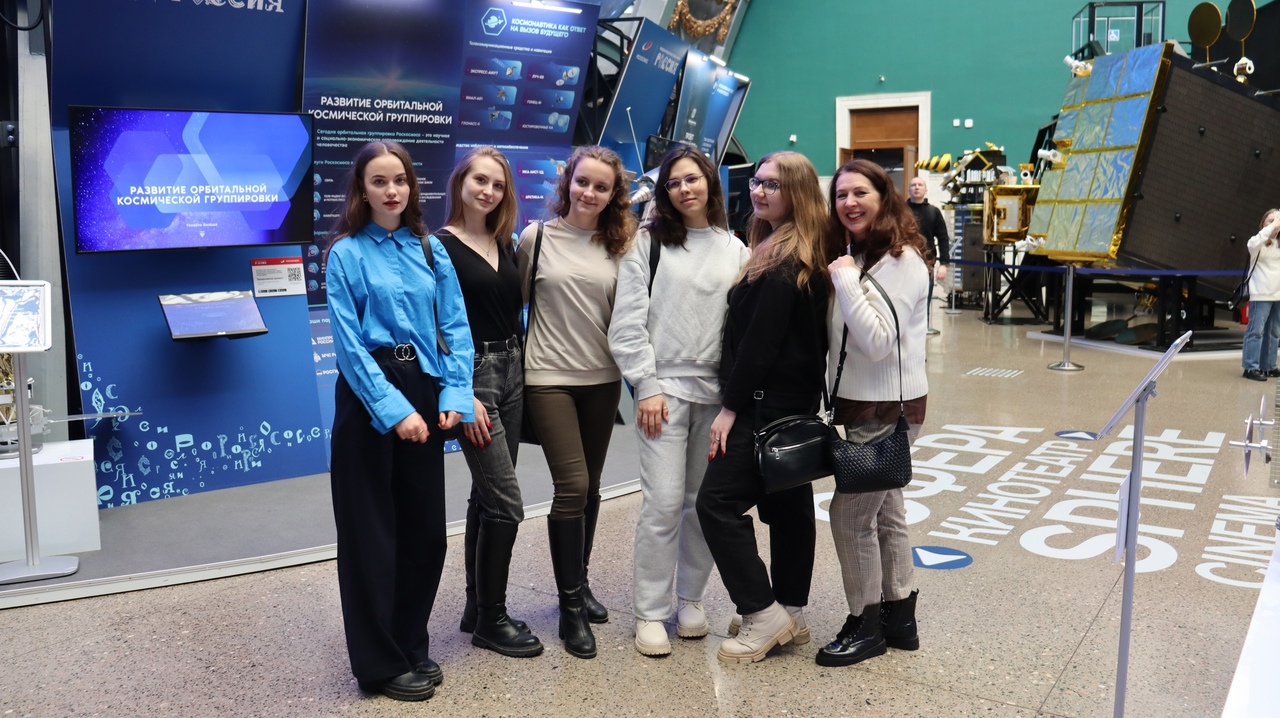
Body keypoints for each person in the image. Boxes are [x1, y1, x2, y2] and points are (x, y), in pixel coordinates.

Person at [325, 141, 474, 701]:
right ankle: (379, 664)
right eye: (379, 181)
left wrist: (454, 390)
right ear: (362, 190)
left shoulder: (430, 250)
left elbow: (455, 327)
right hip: (369, 396)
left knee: (424, 533)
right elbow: (348, 346)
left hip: (425, 384)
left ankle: (410, 642)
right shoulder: (345, 254)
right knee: (370, 535)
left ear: (412, 187)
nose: (392, 191)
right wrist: (394, 410)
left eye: (400, 180)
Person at [608, 146, 750, 656]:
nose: (684, 189)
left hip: (717, 398)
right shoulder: (646, 244)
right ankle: (649, 611)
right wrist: (645, 386)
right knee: (664, 503)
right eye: (673, 183)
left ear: (710, 182)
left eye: (692, 179)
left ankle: (690, 599)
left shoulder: (735, 249)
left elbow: (742, 329)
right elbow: (627, 324)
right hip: (662, 393)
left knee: (700, 504)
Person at [694, 150, 830, 664]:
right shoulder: (783, 248)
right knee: (788, 506)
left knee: (716, 503)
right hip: (790, 405)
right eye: (757, 180)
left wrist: (729, 409)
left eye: (773, 184)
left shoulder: (786, 263)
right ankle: (789, 609)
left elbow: (759, 346)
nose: (759, 190)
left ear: (797, 193)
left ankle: (762, 611)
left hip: (762, 408)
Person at [517, 145, 635, 659]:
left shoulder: (622, 244)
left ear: (613, 195)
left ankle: (580, 583)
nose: (589, 192)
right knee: (573, 487)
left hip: (603, 379)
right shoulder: (536, 238)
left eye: (601, 187)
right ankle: (569, 608)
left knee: (592, 489)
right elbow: (514, 303)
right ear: (567, 182)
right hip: (548, 378)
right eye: (583, 182)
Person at [818, 158, 928, 667]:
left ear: (884, 197)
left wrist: (845, 281)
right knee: (887, 512)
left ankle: (864, 624)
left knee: (849, 516)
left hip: (887, 408)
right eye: (841, 195)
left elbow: (880, 342)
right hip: (865, 405)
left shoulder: (901, 261)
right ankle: (899, 617)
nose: (849, 203)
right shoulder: (860, 255)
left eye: (860, 192)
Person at [436, 147, 543, 658]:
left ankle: (476, 607)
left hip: (514, 369)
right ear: (460, 182)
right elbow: (432, 327)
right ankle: (492, 621)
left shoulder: (506, 243)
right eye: (480, 180)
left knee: (486, 496)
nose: (489, 191)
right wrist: (461, 393)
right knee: (505, 504)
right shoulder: (436, 247)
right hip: (474, 377)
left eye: (498, 185)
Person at [1242, 208, 1280, 381]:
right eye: (1269, 220)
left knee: (1274, 332)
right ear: (1263, 223)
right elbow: (1252, 244)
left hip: (1277, 295)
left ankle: (1269, 366)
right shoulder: (1257, 243)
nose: (1274, 223)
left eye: (1276, 220)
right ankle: (1251, 367)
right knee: (1256, 332)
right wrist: (1272, 227)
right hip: (1261, 294)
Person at [906, 176, 951, 301]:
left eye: (920, 185)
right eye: (913, 185)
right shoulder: (901, 211)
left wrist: (944, 264)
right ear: (909, 190)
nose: (916, 187)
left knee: (924, 305)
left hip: (927, 265)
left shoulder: (934, 212)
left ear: (925, 190)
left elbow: (943, 238)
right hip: (903, 264)